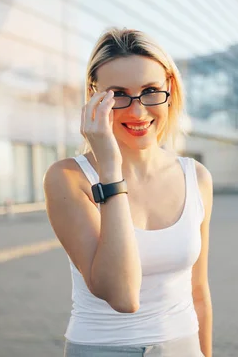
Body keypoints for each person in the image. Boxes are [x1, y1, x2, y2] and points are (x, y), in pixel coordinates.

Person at [44, 27, 214, 357]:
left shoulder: (197, 178)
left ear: (170, 87)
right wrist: (109, 170)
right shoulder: (68, 178)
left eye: (151, 91)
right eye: (118, 94)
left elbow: (199, 292)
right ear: (94, 95)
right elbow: (122, 295)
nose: (137, 112)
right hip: (102, 349)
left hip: (185, 346)